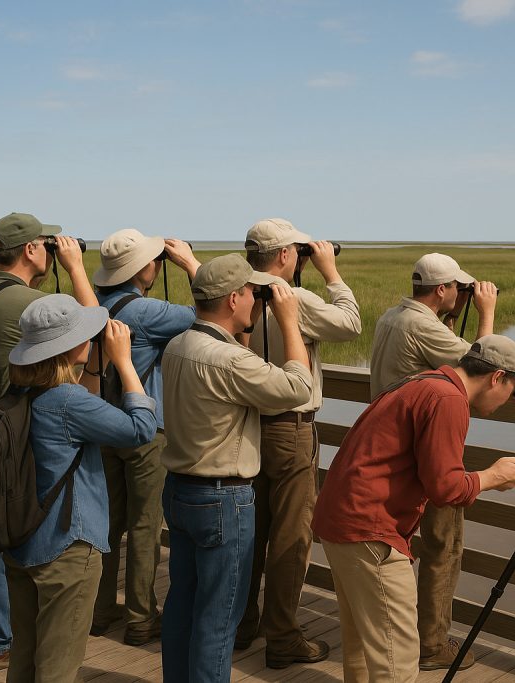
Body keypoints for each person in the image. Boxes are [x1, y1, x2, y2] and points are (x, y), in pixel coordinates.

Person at [311, 335, 515, 682]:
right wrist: (491, 477)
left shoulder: (424, 382)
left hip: (338, 520)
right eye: (514, 390)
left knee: (360, 646)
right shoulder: (448, 400)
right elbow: (445, 487)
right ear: (497, 377)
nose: (511, 401)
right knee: (397, 662)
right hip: (371, 531)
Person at [0, 212, 96, 672]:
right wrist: (75, 268)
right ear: (32, 250)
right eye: (47, 245)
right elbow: (94, 333)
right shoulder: (29, 303)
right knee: (4, 527)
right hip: (12, 434)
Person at [160, 254, 314, 682]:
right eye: (251, 293)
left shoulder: (179, 345)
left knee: (183, 605)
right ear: (233, 299)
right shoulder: (227, 361)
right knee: (219, 616)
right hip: (222, 499)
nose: (255, 300)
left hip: (179, 491)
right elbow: (298, 388)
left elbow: (238, 380)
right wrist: (288, 320)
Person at [5, 294, 158, 682]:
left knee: (23, 660)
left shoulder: (17, 395)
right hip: (66, 548)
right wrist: (122, 361)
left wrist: (88, 365)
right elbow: (139, 430)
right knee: (58, 668)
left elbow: (80, 411)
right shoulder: (68, 402)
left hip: (20, 543)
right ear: (72, 346)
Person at [238, 218, 361, 668]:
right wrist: (330, 272)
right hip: (291, 428)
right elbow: (350, 324)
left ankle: (241, 623)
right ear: (286, 255)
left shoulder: (238, 291)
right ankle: (284, 637)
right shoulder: (296, 298)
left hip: (248, 426)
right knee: (291, 535)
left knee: (252, 531)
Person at [367, 251, 499, 671]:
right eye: (459, 289)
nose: (463, 294)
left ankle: (409, 633)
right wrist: (486, 313)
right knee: (444, 544)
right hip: (425, 451)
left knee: (402, 545)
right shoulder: (422, 325)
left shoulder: (392, 317)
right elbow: (484, 366)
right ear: (442, 290)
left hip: (392, 451)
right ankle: (432, 643)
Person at [90, 229, 200, 645]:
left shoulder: (97, 305)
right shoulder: (145, 311)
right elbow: (210, 315)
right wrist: (189, 264)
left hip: (102, 426)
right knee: (144, 526)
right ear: (144, 267)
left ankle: (99, 611)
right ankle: (139, 618)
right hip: (143, 431)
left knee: (108, 524)